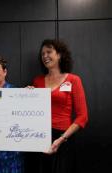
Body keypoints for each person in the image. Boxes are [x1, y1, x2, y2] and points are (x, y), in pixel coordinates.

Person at [32, 39, 88, 173]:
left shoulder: (74, 80)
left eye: (49, 52)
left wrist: (61, 139)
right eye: (42, 54)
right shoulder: (37, 81)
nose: (45, 56)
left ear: (60, 55)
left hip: (63, 139)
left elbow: (83, 117)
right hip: (41, 138)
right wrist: (28, 95)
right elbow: (31, 111)